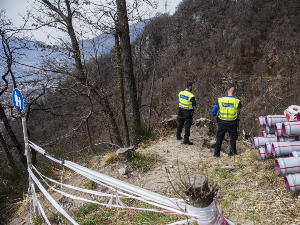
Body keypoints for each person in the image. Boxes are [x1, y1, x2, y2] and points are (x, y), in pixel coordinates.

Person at [212, 87, 242, 157]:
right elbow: (240, 106)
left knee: (219, 138)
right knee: (233, 139)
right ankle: (232, 154)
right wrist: (235, 98)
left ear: (227, 91)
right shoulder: (236, 101)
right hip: (232, 123)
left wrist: (216, 118)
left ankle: (216, 154)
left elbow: (213, 111)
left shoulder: (220, 100)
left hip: (222, 122)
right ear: (235, 93)